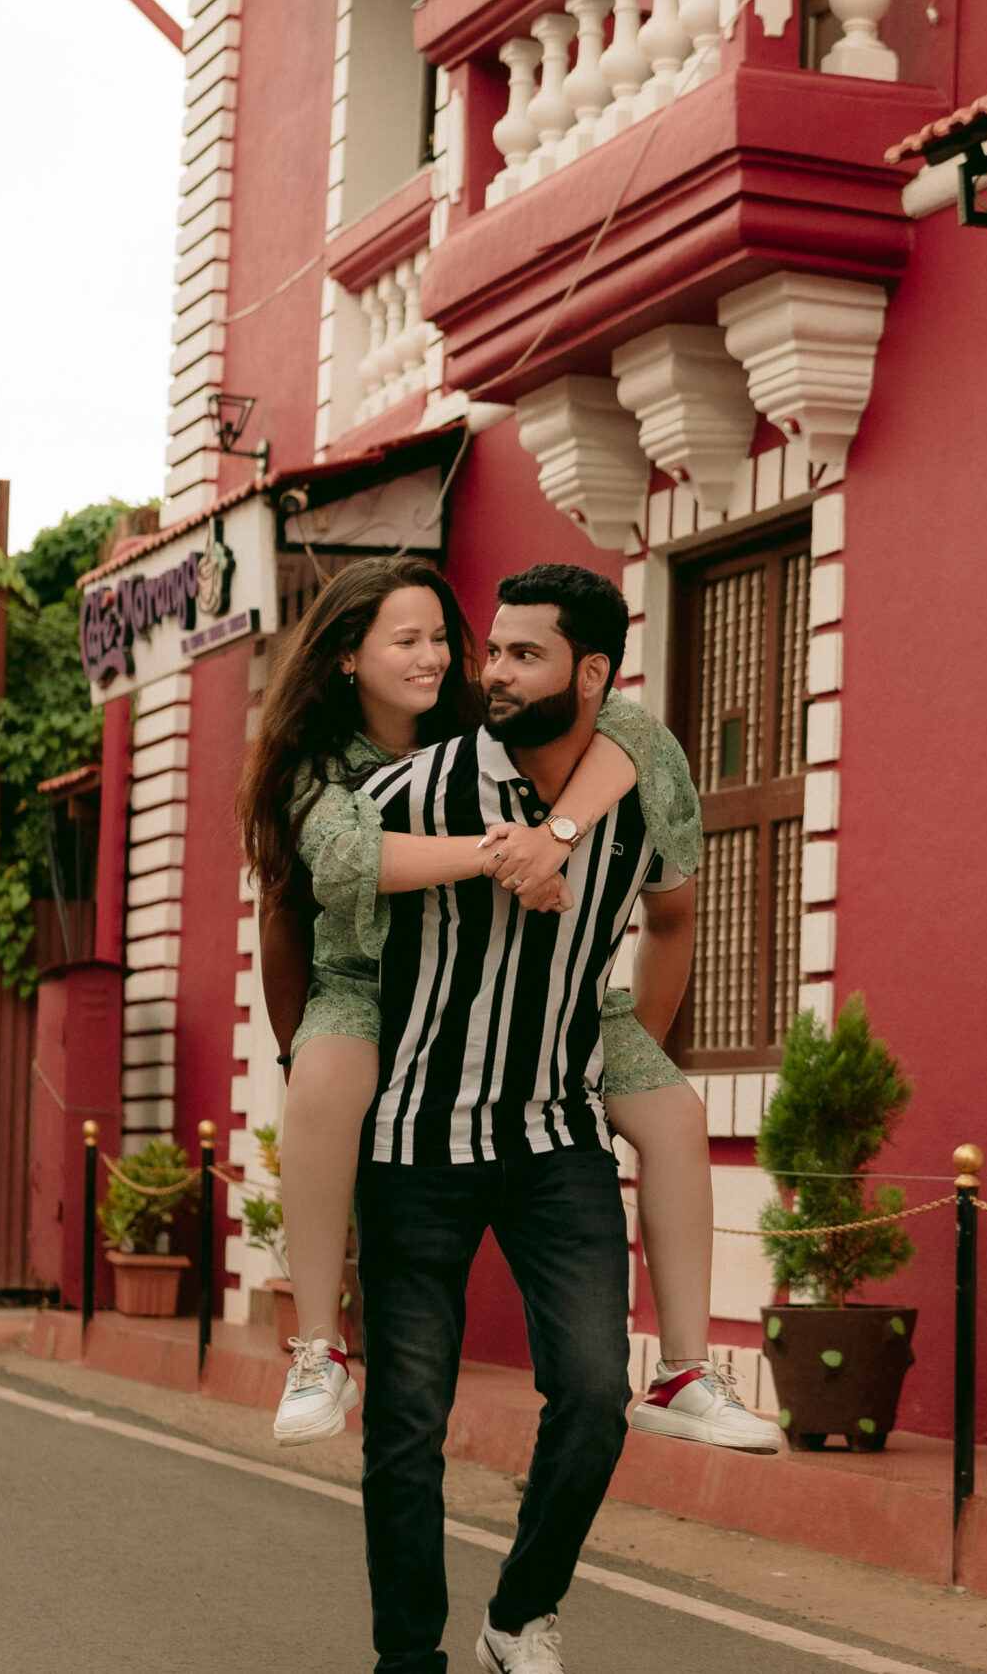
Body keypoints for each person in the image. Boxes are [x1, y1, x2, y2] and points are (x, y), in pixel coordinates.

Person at [234, 558, 775, 1456]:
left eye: (442, 639)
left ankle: (684, 1371)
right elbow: (338, 869)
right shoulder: (321, 765)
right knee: (322, 1084)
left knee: (676, 1112)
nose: (436, 658)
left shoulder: (491, 717)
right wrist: (504, 855)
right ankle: (319, 1349)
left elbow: (634, 734)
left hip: (537, 986)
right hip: (369, 980)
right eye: (406, 641)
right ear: (346, 657)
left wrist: (556, 834)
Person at [358, 563, 692, 1674]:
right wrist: (317, 1061)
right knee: (408, 1425)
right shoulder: (418, 789)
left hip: (560, 1141)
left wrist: (627, 1052)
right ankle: (409, 1659)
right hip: (412, 1141)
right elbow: (308, 893)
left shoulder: (637, 792)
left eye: (523, 655)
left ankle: (518, 1614)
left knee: (596, 1393)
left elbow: (674, 913)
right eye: (491, 651)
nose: (492, 672)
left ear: (591, 674)